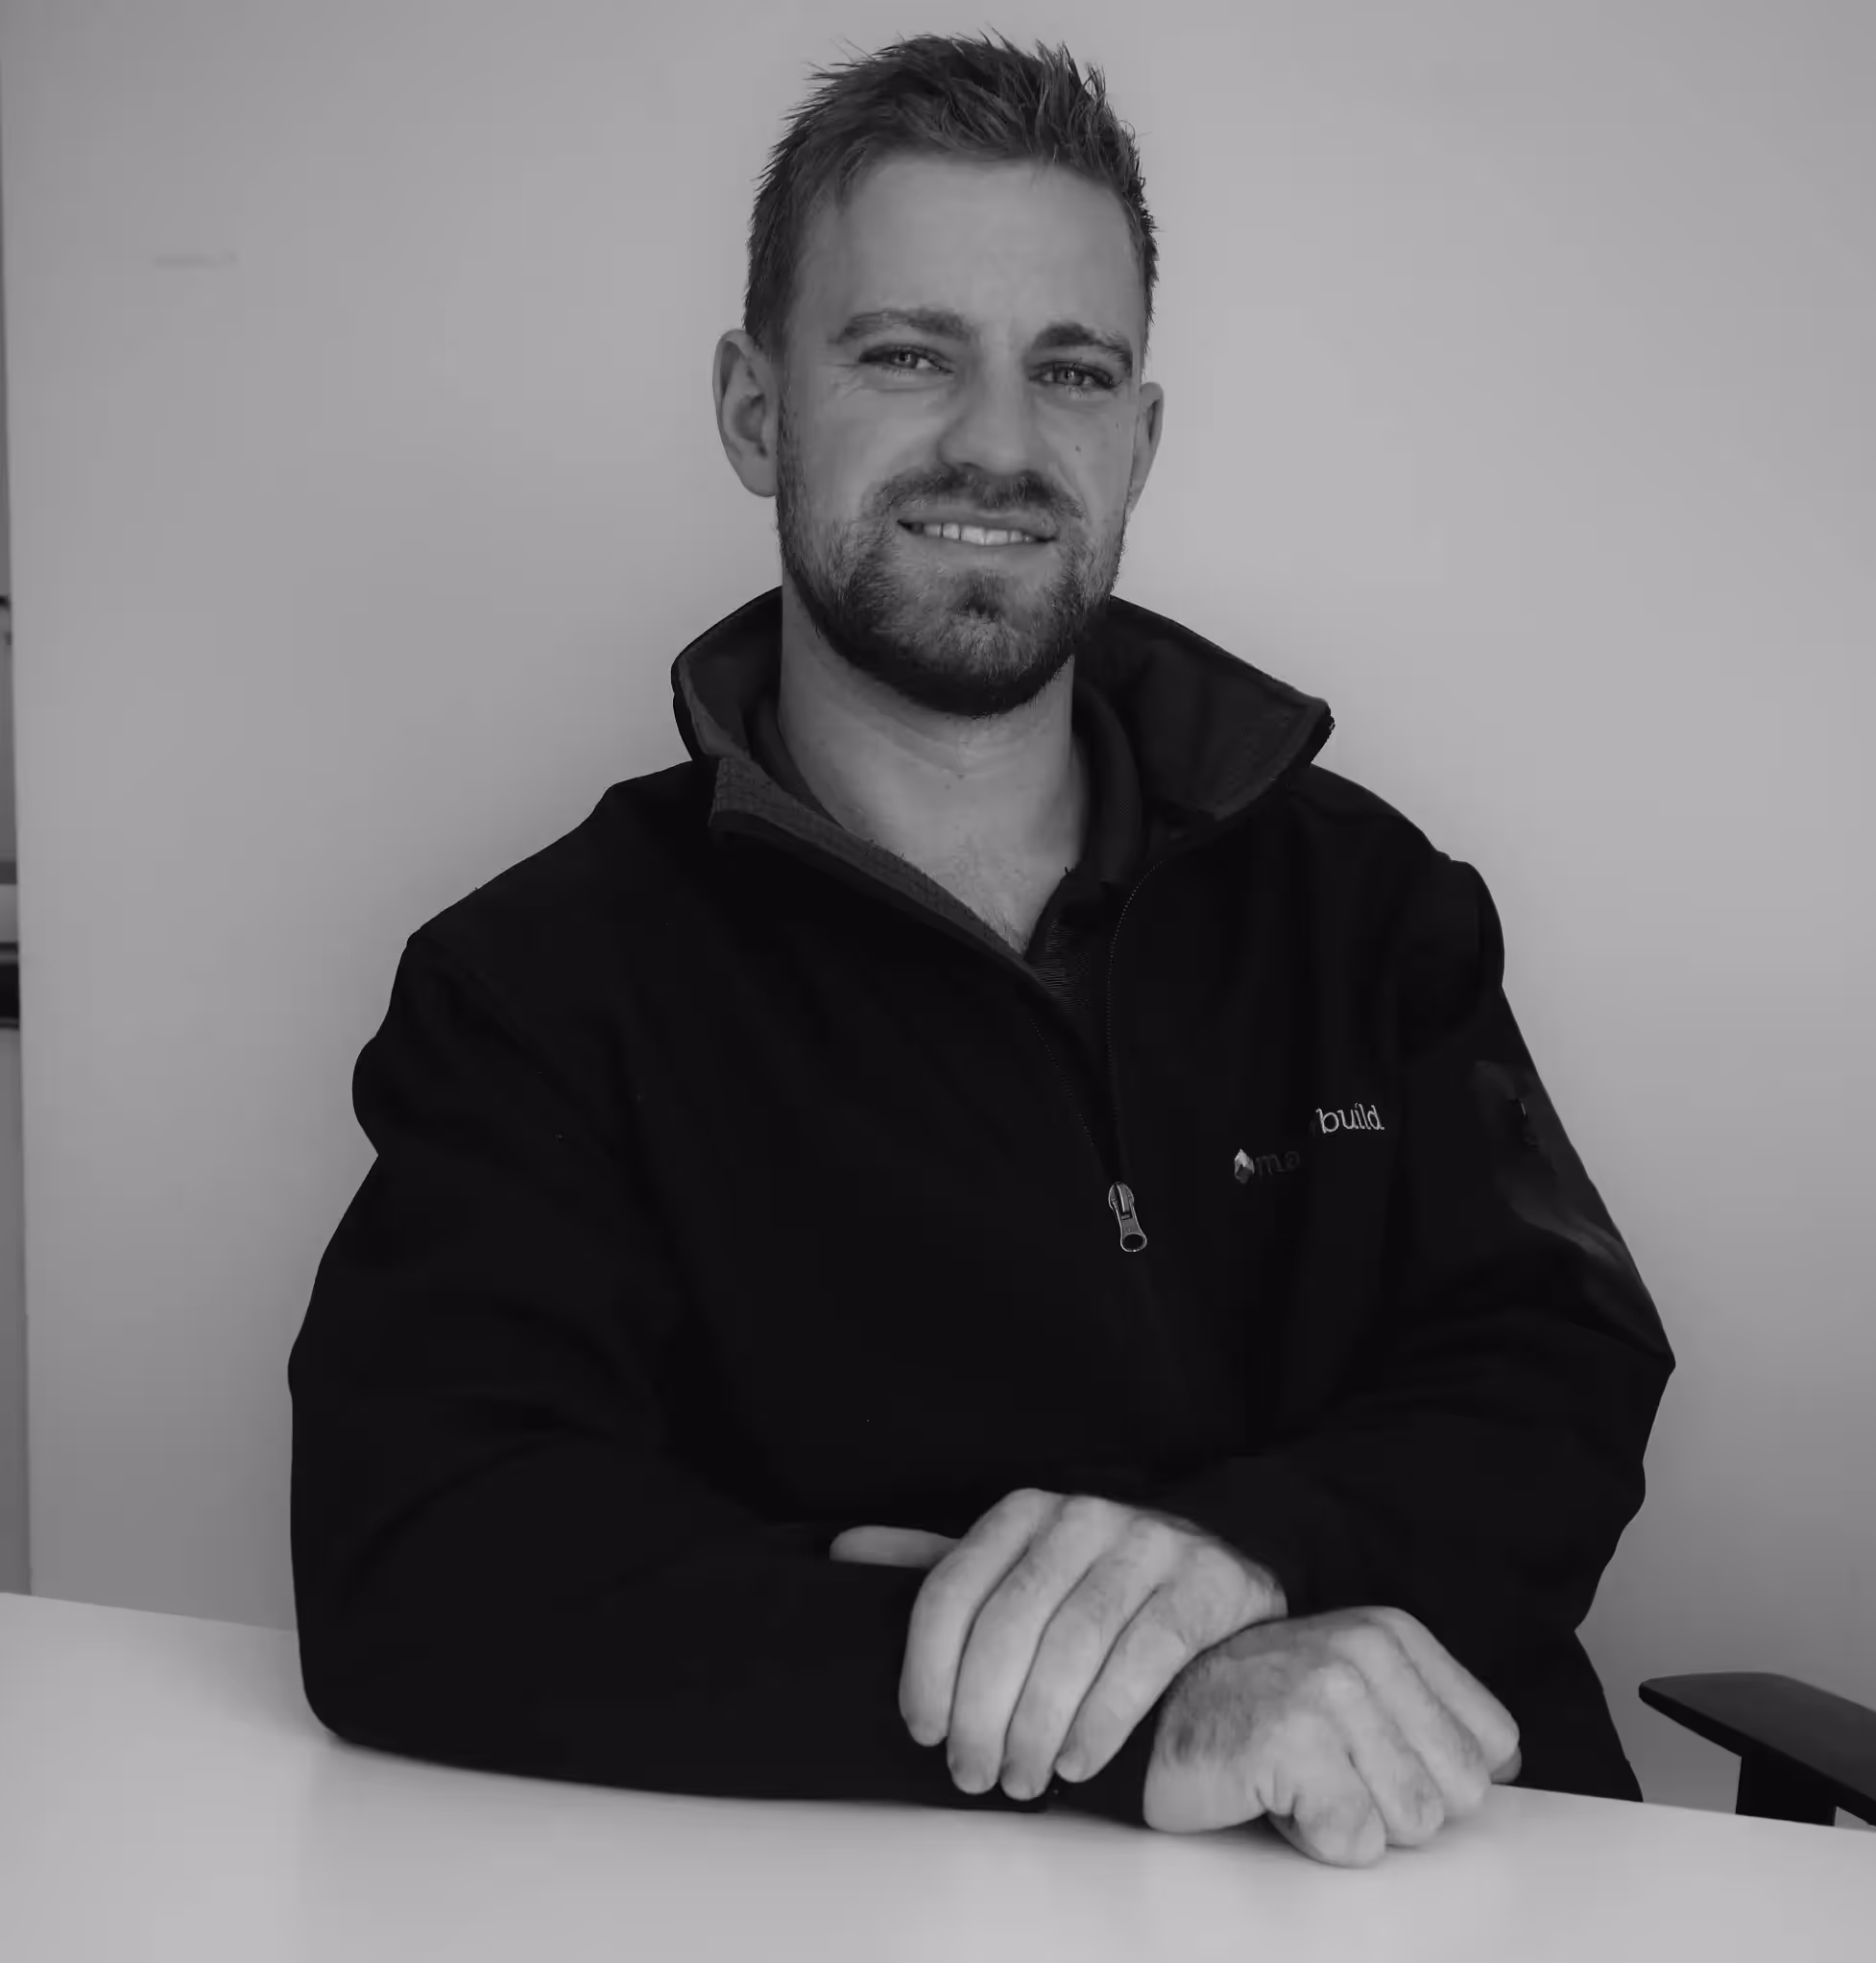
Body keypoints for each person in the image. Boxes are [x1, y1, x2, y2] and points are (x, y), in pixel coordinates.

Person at [288, 31, 1675, 1869]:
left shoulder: (1366, 899)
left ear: (1141, 438)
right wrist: (1141, 1710)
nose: (1000, 446)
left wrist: (1244, 1559)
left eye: (1072, 372)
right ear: (755, 409)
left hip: (1446, 1863)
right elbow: (430, 1553)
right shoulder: (542, 988)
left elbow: (1556, 1370)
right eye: (909, 353)